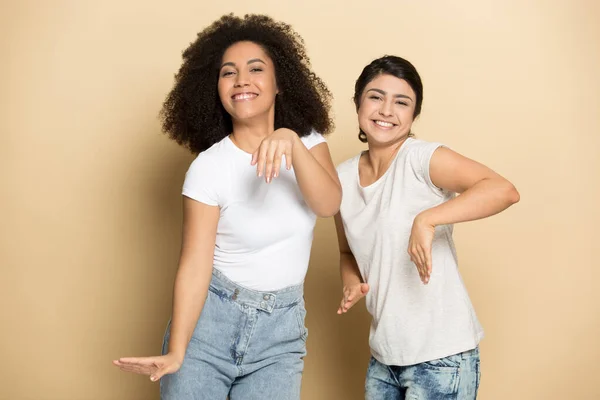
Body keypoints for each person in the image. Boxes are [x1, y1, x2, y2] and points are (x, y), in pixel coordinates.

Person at [113, 14, 341, 400]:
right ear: (214, 88)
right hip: (210, 328)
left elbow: (329, 203)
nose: (241, 80)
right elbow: (195, 263)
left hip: (280, 336)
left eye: (256, 69)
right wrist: (179, 350)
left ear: (280, 82)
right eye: (227, 73)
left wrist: (290, 141)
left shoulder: (307, 142)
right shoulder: (208, 168)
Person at [334, 55, 520, 399]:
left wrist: (428, 218)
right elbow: (347, 251)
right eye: (376, 97)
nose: (387, 110)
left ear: (413, 115)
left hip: (442, 357)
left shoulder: (421, 159)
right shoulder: (341, 178)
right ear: (358, 102)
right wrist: (351, 283)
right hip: (384, 357)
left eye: (401, 102)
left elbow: (503, 190)